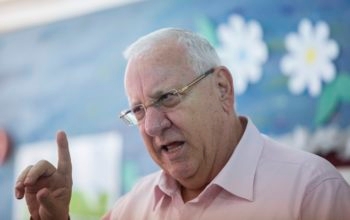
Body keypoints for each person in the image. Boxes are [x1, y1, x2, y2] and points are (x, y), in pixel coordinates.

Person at [15, 28, 350, 220]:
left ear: (222, 89)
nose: (152, 126)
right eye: (139, 110)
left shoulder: (311, 191)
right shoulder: (133, 207)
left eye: (167, 97)